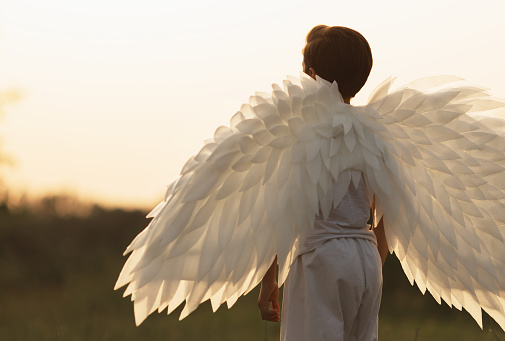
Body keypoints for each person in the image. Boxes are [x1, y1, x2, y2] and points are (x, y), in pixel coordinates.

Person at [257, 25, 389, 341]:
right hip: (366, 258)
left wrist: (268, 278)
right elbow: (387, 209)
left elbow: (285, 207)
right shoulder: (374, 133)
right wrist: (374, 263)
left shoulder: (307, 132)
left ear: (313, 77)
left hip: (320, 256)